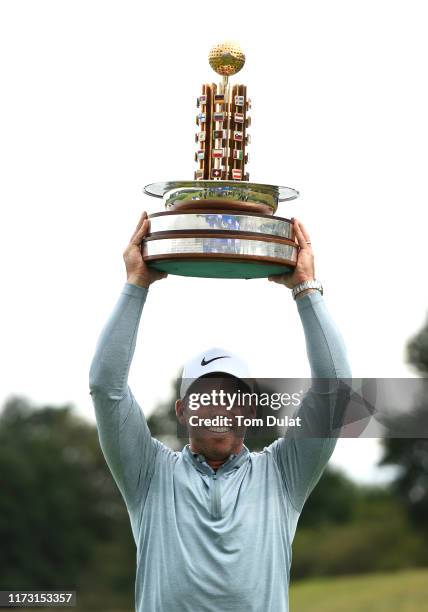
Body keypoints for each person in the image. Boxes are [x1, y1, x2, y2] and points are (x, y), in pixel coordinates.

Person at [88, 212, 352, 612]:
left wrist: (305, 288)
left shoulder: (282, 474)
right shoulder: (149, 474)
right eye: (205, 395)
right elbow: (105, 388)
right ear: (183, 409)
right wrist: (136, 283)